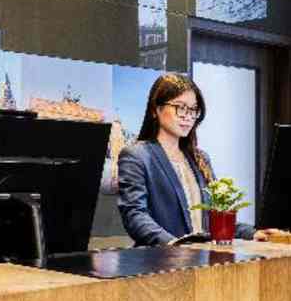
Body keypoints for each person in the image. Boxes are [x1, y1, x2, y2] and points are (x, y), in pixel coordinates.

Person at [117, 73, 279, 246]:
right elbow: (135, 215)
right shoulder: (136, 156)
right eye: (180, 107)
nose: (188, 116)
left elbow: (216, 215)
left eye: (193, 109)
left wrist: (252, 233)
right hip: (160, 258)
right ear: (155, 109)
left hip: (201, 258)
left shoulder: (200, 158)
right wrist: (173, 245)